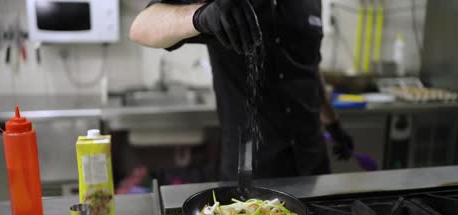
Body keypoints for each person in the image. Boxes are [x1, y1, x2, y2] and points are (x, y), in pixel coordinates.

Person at [130, 0, 354, 180]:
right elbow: (141, 27)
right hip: (252, 165)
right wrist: (201, 16)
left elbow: (309, 67)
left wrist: (333, 123)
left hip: (311, 156)